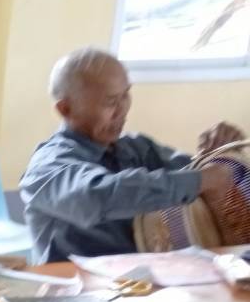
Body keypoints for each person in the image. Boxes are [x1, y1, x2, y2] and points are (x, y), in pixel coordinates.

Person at [19, 47, 241, 263]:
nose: (122, 110)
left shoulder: (137, 148)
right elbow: (99, 195)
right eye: (111, 101)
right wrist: (201, 179)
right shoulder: (47, 167)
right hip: (73, 285)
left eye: (126, 95)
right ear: (65, 109)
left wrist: (219, 153)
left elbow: (198, 175)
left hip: (140, 279)